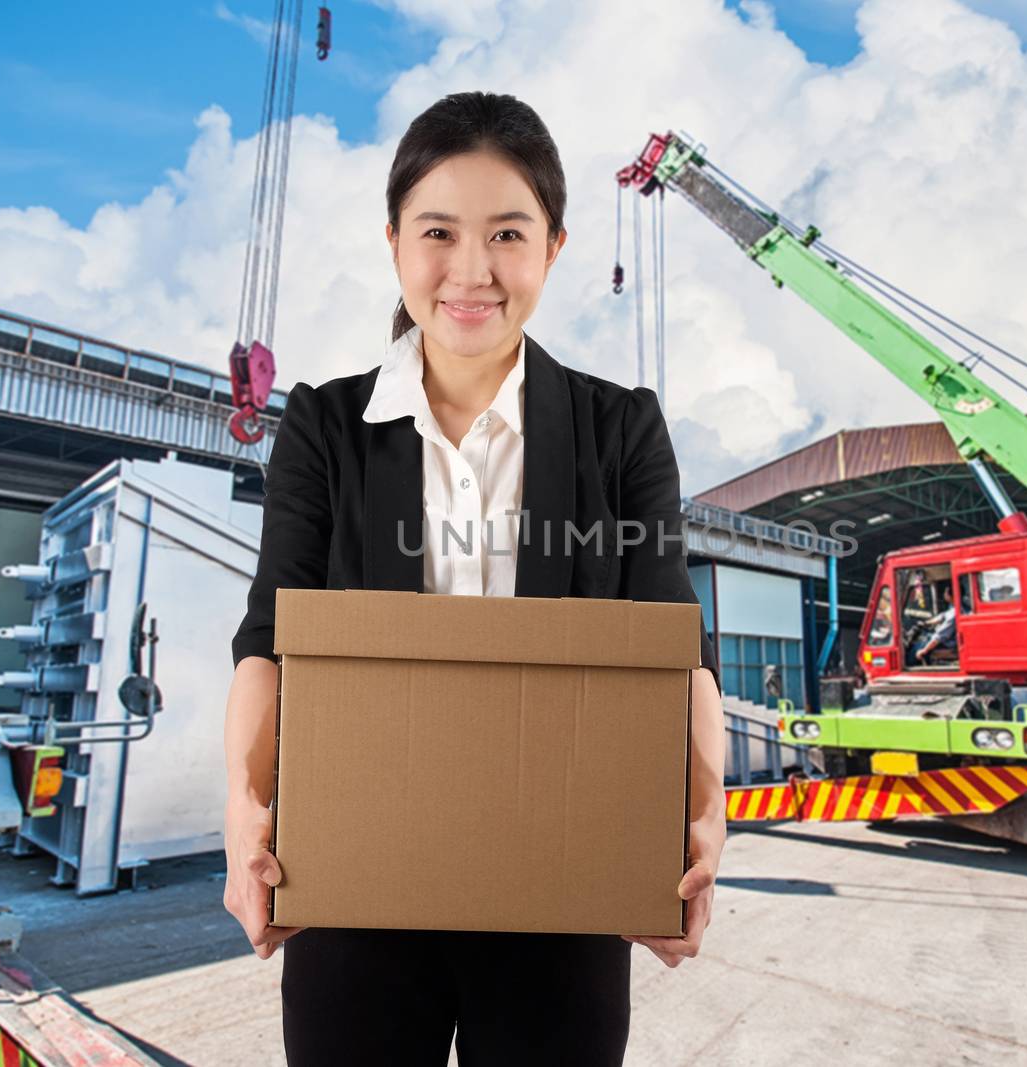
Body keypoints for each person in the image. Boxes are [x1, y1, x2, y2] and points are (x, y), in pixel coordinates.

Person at [221, 91, 726, 1065]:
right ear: (395, 241)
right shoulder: (326, 427)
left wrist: (702, 816)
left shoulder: (619, 430)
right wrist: (245, 812)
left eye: (507, 232)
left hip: (564, 899)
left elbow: (675, 645)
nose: (471, 269)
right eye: (438, 231)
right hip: (353, 889)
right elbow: (269, 639)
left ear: (553, 247)